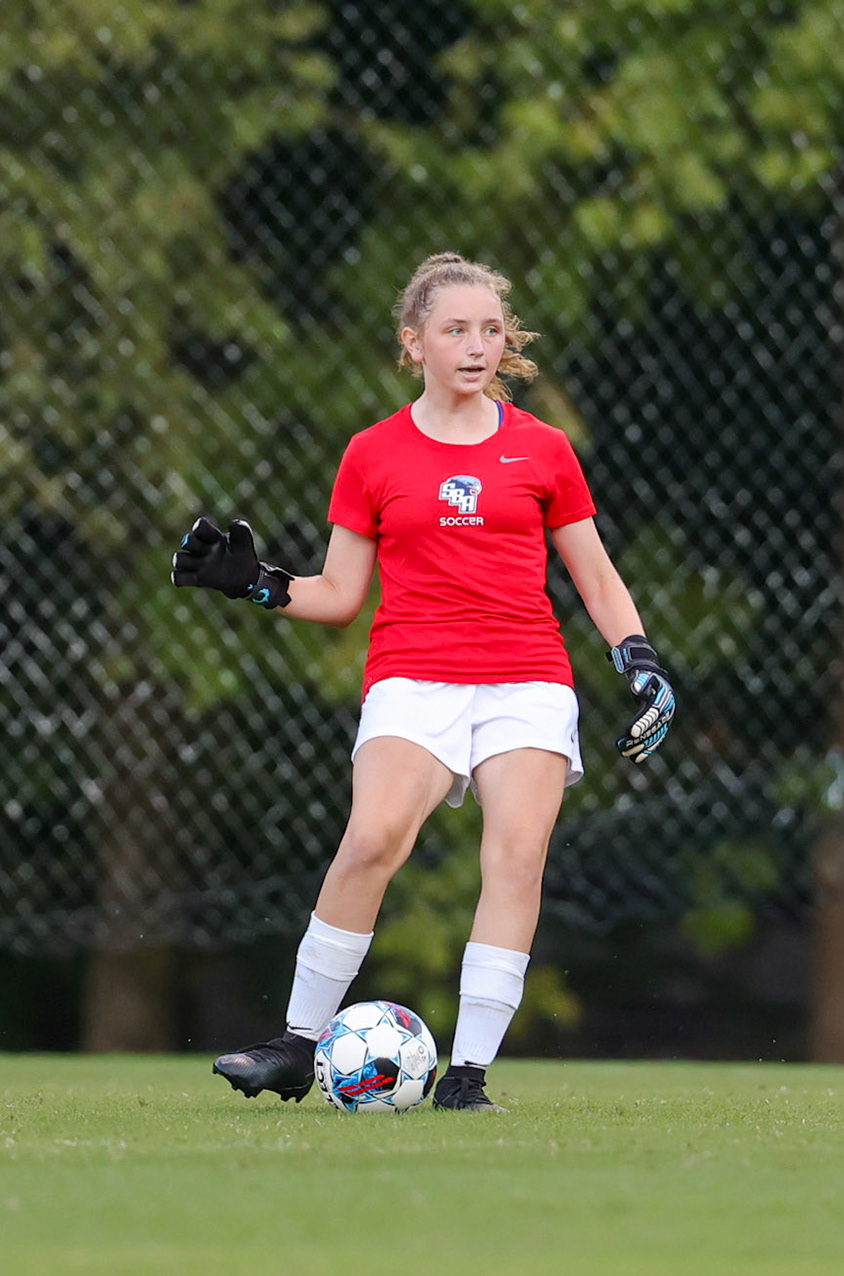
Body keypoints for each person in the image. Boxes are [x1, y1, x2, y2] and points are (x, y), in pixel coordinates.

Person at [171, 252, 675, 1112]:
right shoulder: (373, 453)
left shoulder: (543, 449)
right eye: (455, 330)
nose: (477, 345)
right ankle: (296, 1046)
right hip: (413, 675)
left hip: (528, 680)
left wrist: (641, 659)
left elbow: (594, 574)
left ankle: (468, 1076)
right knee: (372, 841)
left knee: (515, 858)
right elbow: (338, 596)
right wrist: (252, 584)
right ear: (415, 344)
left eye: (490, 330)